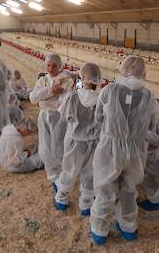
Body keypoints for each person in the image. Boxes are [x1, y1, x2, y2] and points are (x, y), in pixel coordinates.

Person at [89, 56, 159, 245]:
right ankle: (128, 227)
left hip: (110, 147)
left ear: (123, 69)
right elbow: (153, 125)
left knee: (105, 187)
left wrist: (113, 129)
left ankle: (99, 231)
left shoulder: (109, 90)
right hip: (136, 150)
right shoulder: (150, 96)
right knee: (129, 189)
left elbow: (98, 119)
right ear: (143, 73)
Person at [54, 63, 102, 216]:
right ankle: (86, 204)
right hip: (94, 142)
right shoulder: (101, 99)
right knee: (90, 172)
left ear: (82, 77)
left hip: (75, 141)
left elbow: (65, 116)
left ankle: (62, 198)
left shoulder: (74, 97)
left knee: (69, 170)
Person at [29, 53, 73, 191]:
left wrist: (44, 98)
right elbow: (32, 97)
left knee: (58, 146)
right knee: (45, 147)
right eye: (48, 65)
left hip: (58, 118)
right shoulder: (43, 80)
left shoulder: (66, 80)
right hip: (44, 116)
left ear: (60, 67)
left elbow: (62, 100)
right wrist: (50, 91)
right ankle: (53, 175)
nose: (51, 68)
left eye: (54, 65)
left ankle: (62, 176)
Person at [0, 106, 43, 173]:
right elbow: (14, 162)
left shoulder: (9, 129)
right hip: (12, 166)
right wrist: (26, 153)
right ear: (25, 129)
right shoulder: (15, 140)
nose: (29, 134)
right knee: (40, 158)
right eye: (29, 132)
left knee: (33, 147)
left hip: (6, 161)